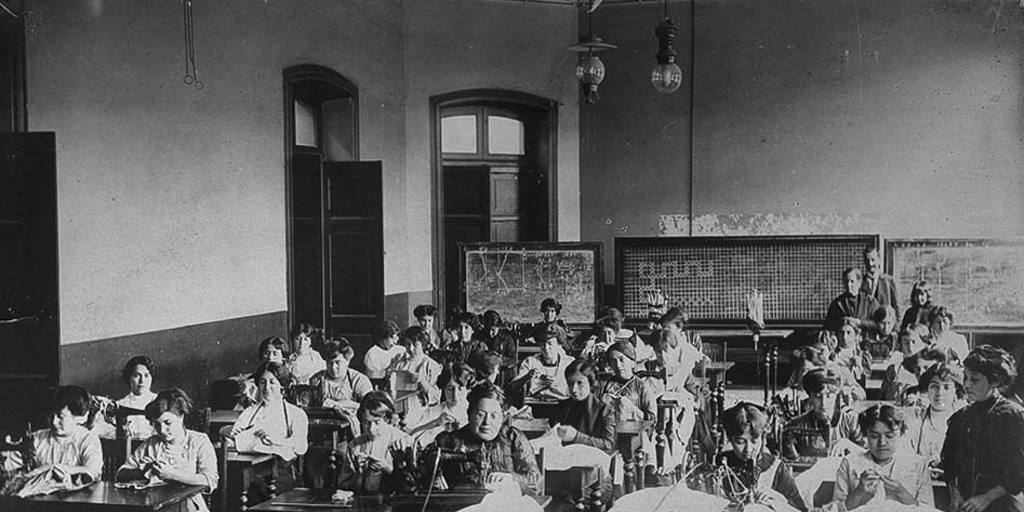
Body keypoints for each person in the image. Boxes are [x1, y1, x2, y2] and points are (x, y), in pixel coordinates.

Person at [942, 345, 1024, 512]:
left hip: (1003, 505)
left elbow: (1019, 471)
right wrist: (954, 494)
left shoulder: (1012, 416)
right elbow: (949, 463)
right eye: (965, 378)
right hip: (966, 505)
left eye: (975, 379)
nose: (966, 384)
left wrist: (986, 498)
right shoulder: (960, 418)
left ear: (994, 381)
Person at [421, 382, 541, 496]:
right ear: (469, 415)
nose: (486, 422)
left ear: (503, 417)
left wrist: (512, 479)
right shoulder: (448, 441)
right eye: (480, 415)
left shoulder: (513, 438)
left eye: (494, 415)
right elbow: (425, 480)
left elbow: (535, 483)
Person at [115, 389, 218, 512]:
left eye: (167, 423)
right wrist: (144, 471)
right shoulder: (151, 443)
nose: (162, 430)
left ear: (181, 416)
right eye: (157, 424)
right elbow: (120, 474)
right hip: (155, 506)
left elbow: (209, 480)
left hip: (189, 506)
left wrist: (172, 474)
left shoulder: (199, 441)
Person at [227, 362, 309, 492]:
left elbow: (301, 447)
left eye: (272, 382)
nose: (267, 388)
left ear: (282, 386)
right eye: (263, 382)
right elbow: (233, 439)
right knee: (234, 485)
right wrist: (232, 434)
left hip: (280, 470)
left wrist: (274, 440)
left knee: (258, 489)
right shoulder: (250, 412)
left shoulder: (295, 413)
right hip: (250, 466)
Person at [833, 404, 933, 510]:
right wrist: (859, 492)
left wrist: (903, 495)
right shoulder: (850, 463)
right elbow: (835, 509)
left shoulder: (918, 465)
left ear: (901, 433)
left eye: (889, 436)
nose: (882, 443)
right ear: (865, 435)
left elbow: (929, 509)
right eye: (874, 436)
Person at [719, 402, 807, 511]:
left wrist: (780, 500)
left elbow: (801, 510)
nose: (749, 449)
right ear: (730, 440)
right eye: (740, 442)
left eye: (754, 441)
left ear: (763, 438)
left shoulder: (776, 468)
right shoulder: (720, 465)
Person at [337, 392, 414, 493]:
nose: (371, 429)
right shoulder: (354, 446)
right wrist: (359, 474)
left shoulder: (403, 441)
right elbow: (344, 488)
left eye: (377, 422)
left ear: (388, 420)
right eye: (366, 423)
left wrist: (387, 469)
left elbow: (410, 488)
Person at [24, 386, 103, 481]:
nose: (54, 422)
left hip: (80, 495)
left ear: (79, 418)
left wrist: (52, 468)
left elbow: (93, 471)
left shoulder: (88, 439)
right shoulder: (37, 438)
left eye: (60, 416)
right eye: (50, 415)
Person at [782, 370, 861, 460]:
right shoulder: (795, 426)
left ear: (836, 396)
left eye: (829, 396)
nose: (823, 403)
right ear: (810, 397)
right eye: (817, 396)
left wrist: (848, 444)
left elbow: (867, 456)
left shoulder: (851, 422)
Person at [548, 360, 615, 452]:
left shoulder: (604, 410)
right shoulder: (561, 407)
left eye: (580, 383)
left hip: (591, 458)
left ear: (591, 383)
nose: (574, 389)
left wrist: (576, 437)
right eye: (570, 383)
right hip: (564, 456)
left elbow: (608, 444)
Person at [905, 363, 964, 467]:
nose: (939, 393)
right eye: (934, 387)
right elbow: (907, 454)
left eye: (946, 387)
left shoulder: (964, 420)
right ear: (927, 390)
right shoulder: (916, 417)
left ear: (956, 392)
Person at [406, 364, 476, 447]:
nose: (455, 395)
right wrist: (435, 423)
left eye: (460, 388)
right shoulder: (435, 412)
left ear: (468, 390)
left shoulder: (473, 412)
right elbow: (409, 435)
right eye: (450, 388)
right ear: (443, 389)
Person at [309, 338, 374, 421]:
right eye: (329, 363)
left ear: (347, 361)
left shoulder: (359, 380)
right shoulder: (317, 379)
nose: (333, 367)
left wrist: (337, 404)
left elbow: (370, 407)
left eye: (337, 362)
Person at [594, 341, 657, 425]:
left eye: (621, 359)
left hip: (633, 432)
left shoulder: (642, 386)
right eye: (613, 361)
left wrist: (631, 409)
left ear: (632, 362)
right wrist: (600, 404)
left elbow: (652, 420)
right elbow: (590, 416)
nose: (618, 365)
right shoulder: (603, 384)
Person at [510, 323, 575, 401]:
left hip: (563, 405)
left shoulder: (569, 362)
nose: (546, 348)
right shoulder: (530, 362)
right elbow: (513, 388)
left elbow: (576, 390)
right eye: (542, 344)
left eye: (550, 343)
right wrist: (527, 377)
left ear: (559, 344)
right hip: (536, 406)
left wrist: (556, 385)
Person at [386, 326, 442, 412]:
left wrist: (422, 381)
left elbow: (435, 398)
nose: (411, 349)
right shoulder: (399, 363)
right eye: (408, 344)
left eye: (415, 345)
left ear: (423, 345)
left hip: (423, 410)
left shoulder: (432, 366)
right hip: (400, 408)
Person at [823, 268, 880, 334]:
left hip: (865, 340)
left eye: (852, 281)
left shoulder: (870, 302)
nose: (848, 285)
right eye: (846, 281)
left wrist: (860, 323)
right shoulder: (837, 303)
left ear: (859, 283)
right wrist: (841, 322)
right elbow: (827, 326)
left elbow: (879, 324)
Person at [116, 355, 158, 438]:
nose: (142, 381)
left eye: (146, 375)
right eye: (136, 375)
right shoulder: (120, 404)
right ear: (129, 378)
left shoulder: (160, 401)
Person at [474, 310, 518, 386]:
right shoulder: (479, 337)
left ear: (499, 327)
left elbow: (513, 360)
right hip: (482, 375)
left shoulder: (507, 339)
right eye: (488, 329)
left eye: (493, 330)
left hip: (502, 376)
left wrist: (497, 360)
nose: (490, 333)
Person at [363, 320, 404, 388]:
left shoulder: (400, 350)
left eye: (396, 336)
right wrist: (392, 365)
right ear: (382, 338)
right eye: (391, 337)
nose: (396, 340)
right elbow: (373, 377)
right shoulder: (372, 354)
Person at [860, 246, 899, 316]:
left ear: (878, 260)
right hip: (866, 325)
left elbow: (896, 307)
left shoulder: (888, 281)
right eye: (867, 260)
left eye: (873, 260)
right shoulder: (860, 282)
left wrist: (895, 326)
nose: (870, 264)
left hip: (885, 325)